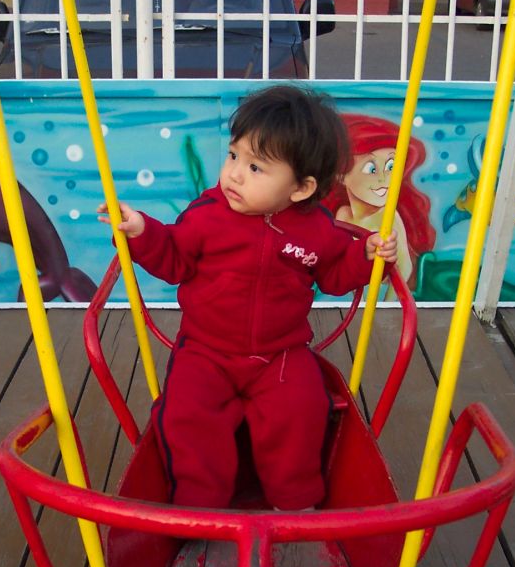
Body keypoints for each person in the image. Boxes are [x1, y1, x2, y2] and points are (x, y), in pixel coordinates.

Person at [98, 85, 400, 511]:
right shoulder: (207, 216)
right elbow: (174, 258)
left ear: (300, 188)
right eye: (233, 156)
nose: (234, 174)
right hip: (205, 349)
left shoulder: (315, 229)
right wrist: (142, 232)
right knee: (186, 413)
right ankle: (199, 506)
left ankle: (294, 501)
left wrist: (365, 258)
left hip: (281, 353)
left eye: (256, 167)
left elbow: (334, 275)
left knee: (303, 408)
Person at [322, 113, 436, 291]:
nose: (384, 178)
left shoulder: (388, 216)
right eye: (371, 169)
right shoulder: (342, 215)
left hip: (386, 293)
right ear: (341, 176)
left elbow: (404, 268)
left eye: (391, 166)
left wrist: (387, 303)